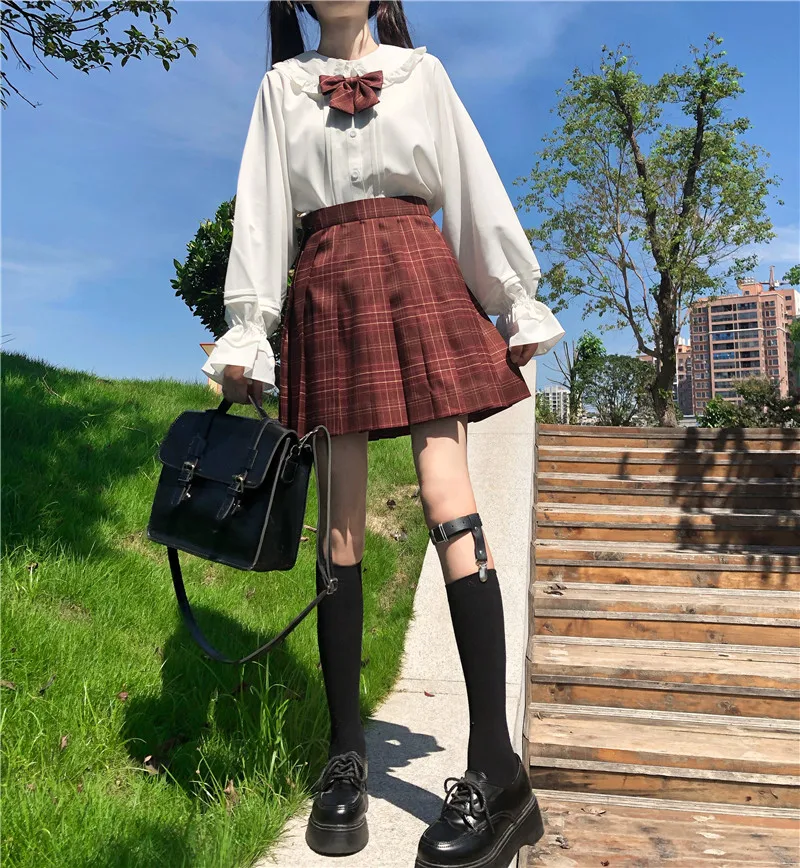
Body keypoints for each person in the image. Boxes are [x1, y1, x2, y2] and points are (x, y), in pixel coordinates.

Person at [201, 2, 565, 866]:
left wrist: (513, 300)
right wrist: (249, 329)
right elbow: (263, 210)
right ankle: (345, 755)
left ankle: (497, 768)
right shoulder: (281, 88)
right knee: (340, 525)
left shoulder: (422, 74)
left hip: (418, 269)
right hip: (328, 282)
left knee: (449, 499)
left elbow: (471, 185)